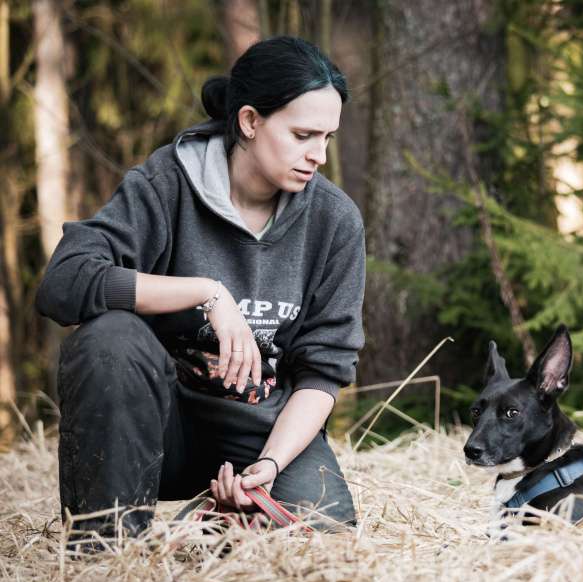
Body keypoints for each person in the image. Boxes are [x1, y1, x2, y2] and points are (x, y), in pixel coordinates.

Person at [35, 36, 364, 544]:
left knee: (324, 535)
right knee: (109, 337)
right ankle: (107, 547)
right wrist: (206, 292)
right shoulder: (166, 184)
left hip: (259, 429)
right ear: (249, 121)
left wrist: (270, 466)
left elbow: (323, 373)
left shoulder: (335, 221)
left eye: (327, 138)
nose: (318, 155)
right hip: (152, 426)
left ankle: (217, 518)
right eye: (303, 135)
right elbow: (65, 281)